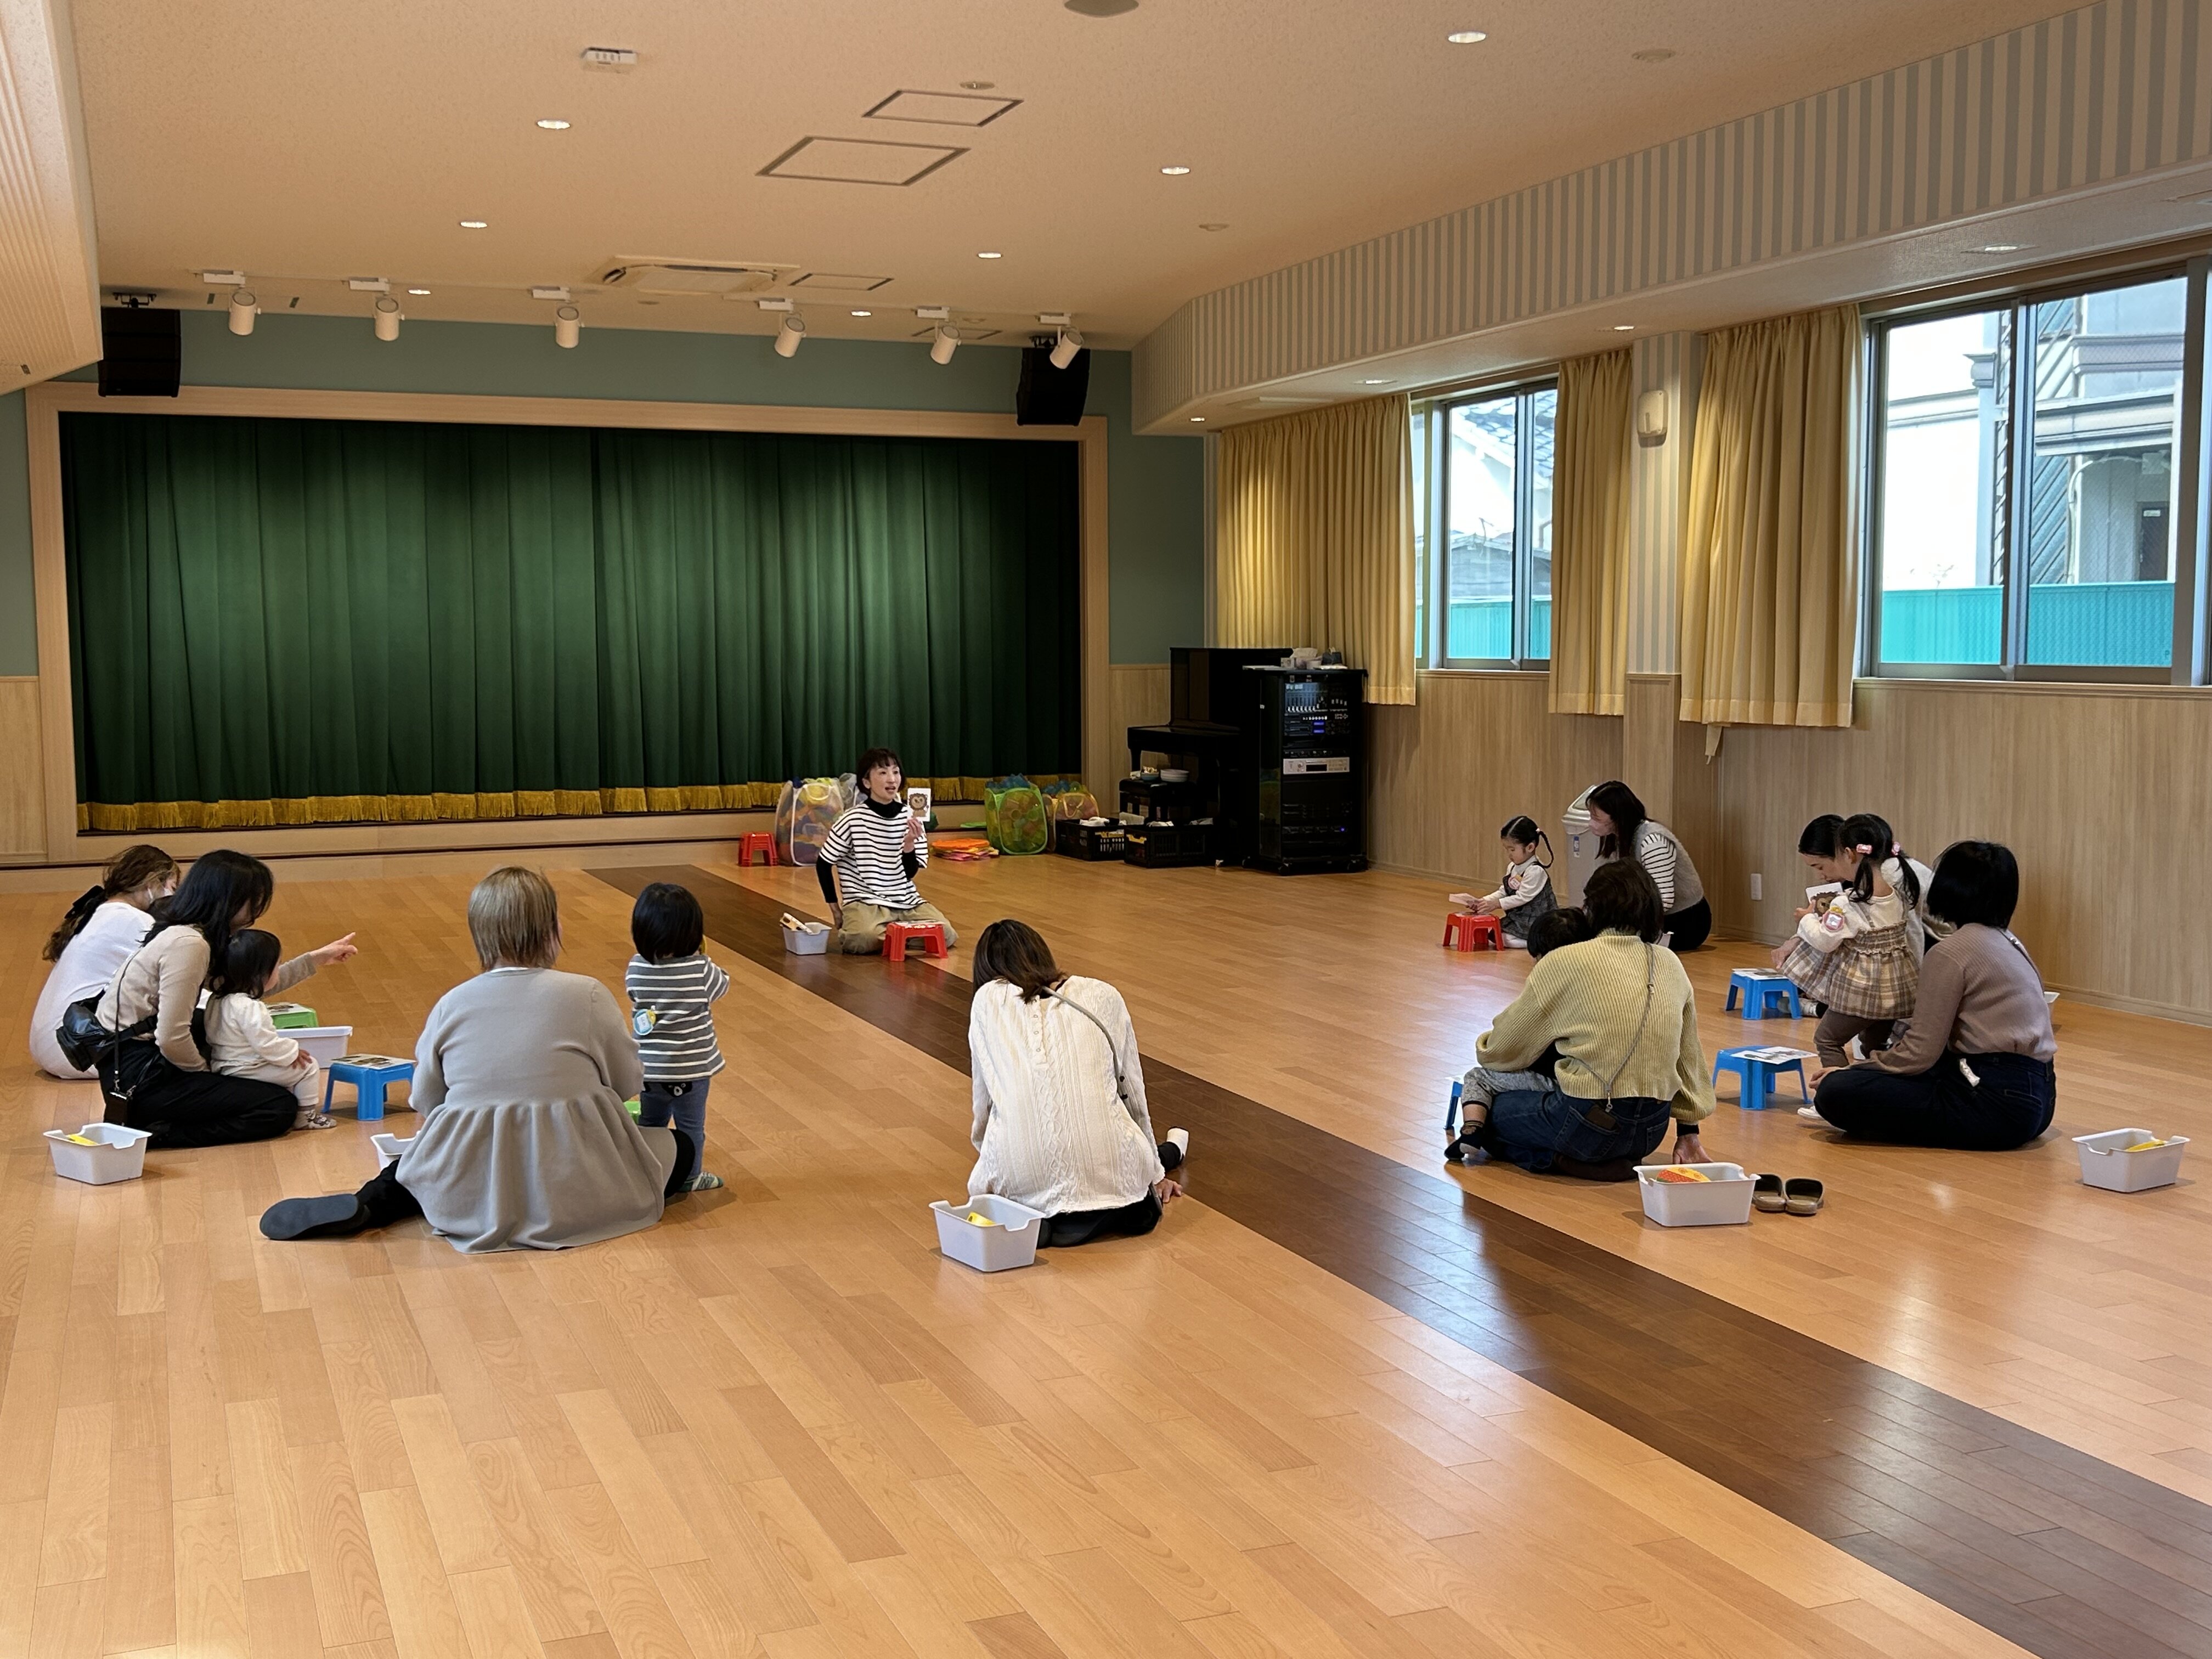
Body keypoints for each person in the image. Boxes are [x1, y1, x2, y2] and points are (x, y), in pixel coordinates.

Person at [260, 867, 701, 1251]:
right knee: (678, 1148)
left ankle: (370, 1205)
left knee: (417, 1169)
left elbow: (426, 1099)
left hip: (480, 1174)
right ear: (553, 930)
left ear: (479, 935)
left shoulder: (452, 1004)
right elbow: (627, 1084)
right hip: (572, 1174)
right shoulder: (587, 993)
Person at [1448, 860, 1714, 1177]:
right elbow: (1689, 1056)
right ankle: (1596, 1158)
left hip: (1587, 1124)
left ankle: (1564, 1161)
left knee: (1486, 1116)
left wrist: (1486, 1044)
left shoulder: (1565, 960)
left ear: (1593, 908)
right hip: (1651, 1132)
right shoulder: (1670, 963)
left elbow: (1501, 1051)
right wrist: (1688, 1133)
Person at [93, 849, 357, 1147]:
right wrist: (206, 1075)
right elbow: (171, 1037)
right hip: (139, 1075)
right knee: (277, 1107)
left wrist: (316, 959)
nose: (256, 911)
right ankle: (157, 1133)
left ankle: (163, 1115)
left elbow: (244, 986)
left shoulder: (188, 933)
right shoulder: (189, 945)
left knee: (219, 1019)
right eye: (254, 900)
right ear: (229, 899)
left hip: (135, 1062)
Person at [1807, 842, 2057, 1150]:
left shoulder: (1952, 952)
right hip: (2040, 1098)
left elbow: (1920, 1052)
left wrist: (1851, 1070)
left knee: (1835, 1090)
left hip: (1995, 1104)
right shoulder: (2009, 941)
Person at [966, 919, 1188, 1248]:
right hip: (1121, 1188)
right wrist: (1154, 1175)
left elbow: (984, 1107)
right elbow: (1132, 1095)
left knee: (1009, 1179)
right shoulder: (1103, 994)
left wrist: (1001, 1157)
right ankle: (1173, 1148)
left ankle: (1038, 1216)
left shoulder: (986, 1001)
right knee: (1132, 1151)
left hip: (1025, 1190)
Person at [1774, 812, 1923, 1068]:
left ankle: (1836, 1088)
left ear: (1849, 854)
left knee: (1827, 1039)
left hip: (1861, 992)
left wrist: (1806, 919)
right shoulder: (1899, 895)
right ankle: (1875, 1084)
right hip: (1896, 992)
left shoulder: (1846, 904)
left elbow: (1825, 941)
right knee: (1874, 1045)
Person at [29, 844, 178, 1079]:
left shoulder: (101, 912)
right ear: (151, 883)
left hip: (54, 1044)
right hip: (76, 1051)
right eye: (172, 888)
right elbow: (179, 978)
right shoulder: (133, 921)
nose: (174, 898)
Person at [625, 882, 728, 1194]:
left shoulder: (637, 967)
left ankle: (648, 1174)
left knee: (651, 1124)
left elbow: (634, 995)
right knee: (692, 1127)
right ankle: (689, 1177)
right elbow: (722, 985)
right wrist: (702, 957)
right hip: (692, 1071)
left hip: (650, 1070)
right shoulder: (700, 970)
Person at [817, 747, 958, 955]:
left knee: (946, 934)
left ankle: (893, 935)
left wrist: (909, 844)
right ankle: (897, 935)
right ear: (867, 782)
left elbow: (909, 874)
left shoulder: (911, 818)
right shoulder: (852, 819)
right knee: (861, 939)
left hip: (906, 901)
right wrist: (835, 909)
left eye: (896, 772)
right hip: (865, 902)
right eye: (883, 773)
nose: (892, 779)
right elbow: (823, 863)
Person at [204, 928, 333, 1131]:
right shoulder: (250, 1006)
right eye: (277, 966)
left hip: (222, 1066)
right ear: (261, 974)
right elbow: (267, 1044)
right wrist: (292, 1051)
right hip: (247, 1069)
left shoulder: (217, 999)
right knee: (309, 1067)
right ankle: (306, 1117)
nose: (279, 972)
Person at [1584, 781, 1709, 951]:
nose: (1591, 823)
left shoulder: (1653, 841)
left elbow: (1664, 900)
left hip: (1683, 921)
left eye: (1596, 818)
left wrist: (1628, 918)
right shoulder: (1617, 839)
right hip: (1650, 916)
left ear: (1617, 816)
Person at [1801, 812, 1942, 946]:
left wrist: (1807, 920)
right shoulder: (1875, 871)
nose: (1820, 876)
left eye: (1820, 867)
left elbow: (1910, 932)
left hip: (1936, 942)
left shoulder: (1888, 876)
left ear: (1847, 854)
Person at [1449, 815, 1557, 948]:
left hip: (1536, 920)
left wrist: (1496, 904)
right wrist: (1483, 901)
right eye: (1507, 850)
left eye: (1512, 850)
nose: (1509, 854)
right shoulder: (1513, 867)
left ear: (1530, 847)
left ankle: (1541, 941)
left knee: (1506, 939)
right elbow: (1504, 891)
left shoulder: (1535, 871)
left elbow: (1522, 898)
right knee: (1495, 935)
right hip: (1519, 917)